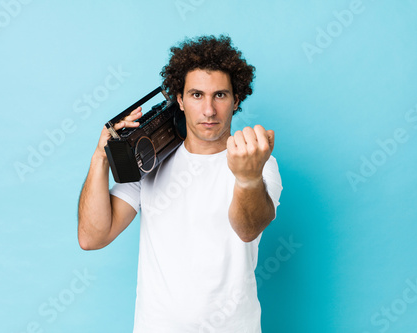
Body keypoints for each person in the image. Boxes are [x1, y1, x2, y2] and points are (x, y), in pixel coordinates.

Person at [77, 35, 283, 333]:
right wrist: (101, 158)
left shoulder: (257, 160)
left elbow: (248, 228)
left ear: (236, 99)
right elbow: (92, 238)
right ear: (180, 100)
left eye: (220, 95)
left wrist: (247, 176)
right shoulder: (149, 165)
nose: (209, 110)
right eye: (197, 95)